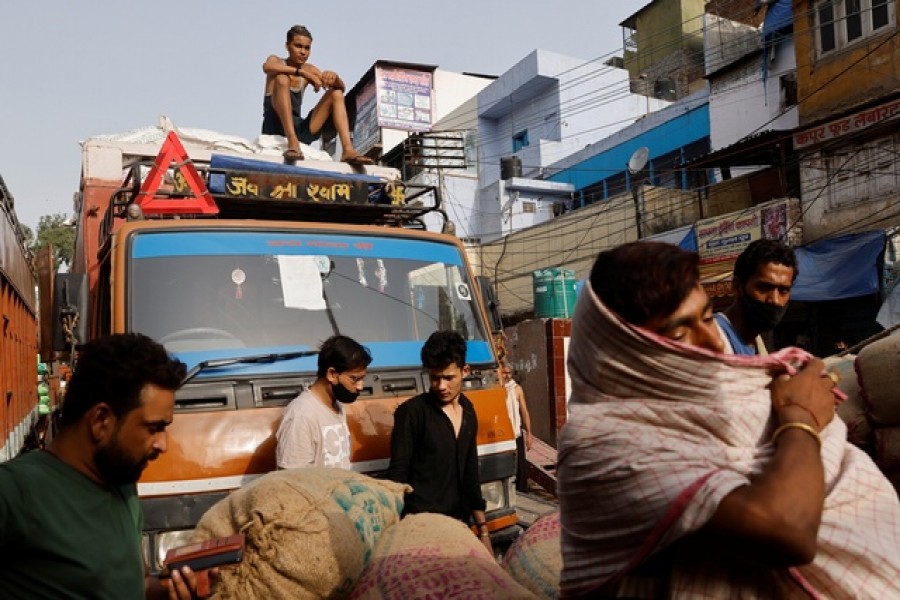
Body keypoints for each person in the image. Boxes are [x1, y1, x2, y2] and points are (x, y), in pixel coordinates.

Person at [558, 241, 900, 598]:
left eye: (706, 317)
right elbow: (787, 531)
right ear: (623, 354)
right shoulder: (600, 442)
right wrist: (800, 418)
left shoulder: (724, 377)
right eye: (679, 333)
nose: (710, 342)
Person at [0, 332, 212, 599]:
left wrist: (175, 590)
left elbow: (140, 584)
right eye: (154, 428)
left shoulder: (122, 483)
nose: (163, 444)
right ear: (102, 420)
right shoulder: (13, 492)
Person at [386, 330, 492, 553]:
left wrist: (483, 531)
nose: (441, 386)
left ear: (465, 371)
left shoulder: (469, 412)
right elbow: (397, 477)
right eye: (435, 378)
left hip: (459, 527)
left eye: (448, 378)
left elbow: (471, 472)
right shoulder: (411, 413)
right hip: (420, 530)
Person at [262, 24, 373, 166]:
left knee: (336, 94)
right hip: (275, 124)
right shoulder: (277, 61)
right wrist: (301, 73)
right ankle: (292, 142)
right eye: (298, 46)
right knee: (282, 79)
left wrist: (335, 77)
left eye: (307, 48)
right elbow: (267, 67)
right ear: (287, 46)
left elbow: (341, 88)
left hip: (300, 128)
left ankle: (348, 150)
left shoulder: (310, 69)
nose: (303, 52)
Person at [276, 335, 372, 469]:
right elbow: (292, 480)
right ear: (331, 374)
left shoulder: (336, 406)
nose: (360, 386)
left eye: (362, 378)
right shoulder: (302, 415)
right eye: (354, 379)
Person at [715, 239, 798, 355]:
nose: (775, 300)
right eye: (764, 288)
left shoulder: (757, 342)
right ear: (737, 286)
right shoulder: (714, 337)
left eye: (783, 290)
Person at [501, 361, 532, 493]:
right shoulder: (498, 389)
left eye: (509, 373)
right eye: (504, 373)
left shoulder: (517, 389)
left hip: (516, 432)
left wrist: (529, 434)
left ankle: (522, 491)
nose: (507, 375)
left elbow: (524, 412)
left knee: (520, 465)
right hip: (503, 433)